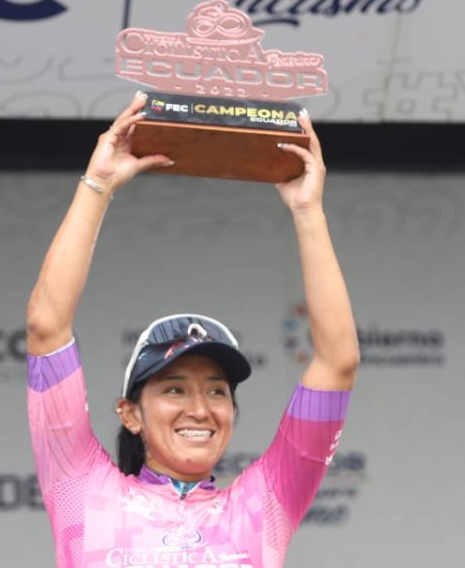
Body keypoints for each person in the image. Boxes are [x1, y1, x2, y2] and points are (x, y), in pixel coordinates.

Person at [25, 91, 360, 568]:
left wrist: (308, 212)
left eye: (217, 391)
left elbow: (337, 362)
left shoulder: (264, 503)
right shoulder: (82, 486)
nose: (200, 409)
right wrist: (98, 183)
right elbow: (46, 325)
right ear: (130, 414)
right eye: (175, 389)